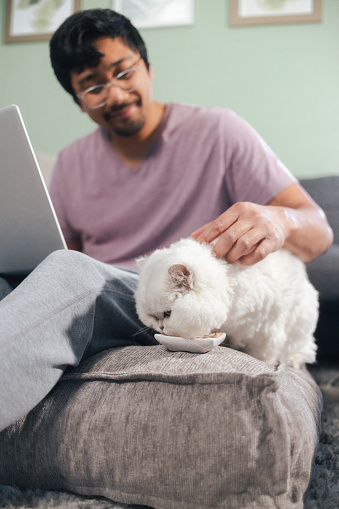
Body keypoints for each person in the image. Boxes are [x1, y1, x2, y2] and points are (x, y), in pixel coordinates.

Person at [0, 8, 333, 432]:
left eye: (124, 72)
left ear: (148, 67)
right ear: (79, 103)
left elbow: (318, 230)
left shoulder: (219, 131)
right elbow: (58, 258)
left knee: (72, 274)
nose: (116, 95)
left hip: (170, 300)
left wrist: (280, 220)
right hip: (106, 298)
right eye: (94, 87)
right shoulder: (69, 164)